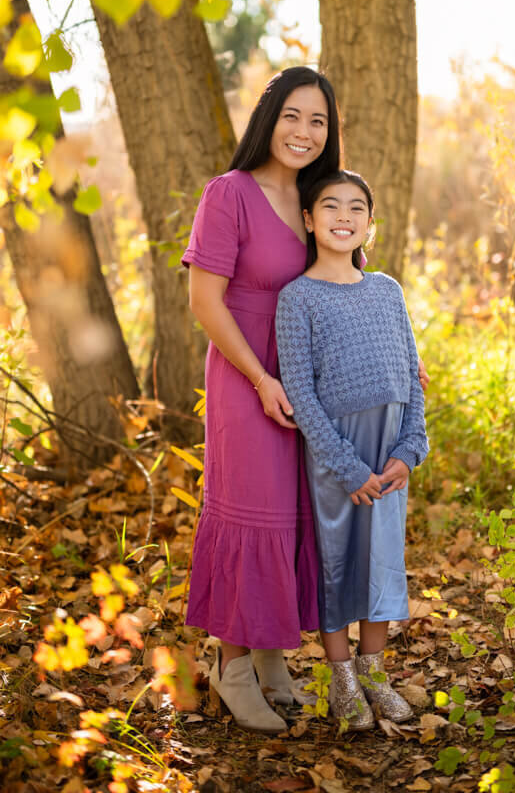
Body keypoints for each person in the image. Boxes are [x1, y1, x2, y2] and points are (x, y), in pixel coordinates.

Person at [181, 66, 343, 734]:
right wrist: (260, 380)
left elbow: (348, 287)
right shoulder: (229, 194)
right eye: (292, 116)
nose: (304, 131)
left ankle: (273, 659)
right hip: (247, 376)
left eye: (318, 120)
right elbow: (204, 302)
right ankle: (232, 667)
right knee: (252, 515)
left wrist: (396, 362)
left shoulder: (319, 198)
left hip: (305, 379)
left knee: (294, 514)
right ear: (267, 119)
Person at [275, 170, 429, 730]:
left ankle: (374, 673)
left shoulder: (387, 290)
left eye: (356, 207)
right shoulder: (298, 297)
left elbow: (411, 376)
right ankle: (341, 679)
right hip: (336, 453)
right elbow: (300, 391)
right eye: (330, 206)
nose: (344, 216)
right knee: (337, 562)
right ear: (308, 220)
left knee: (382, 562)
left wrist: (410, 448)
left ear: (370, 223)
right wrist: (344, 465)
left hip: (389, 450)